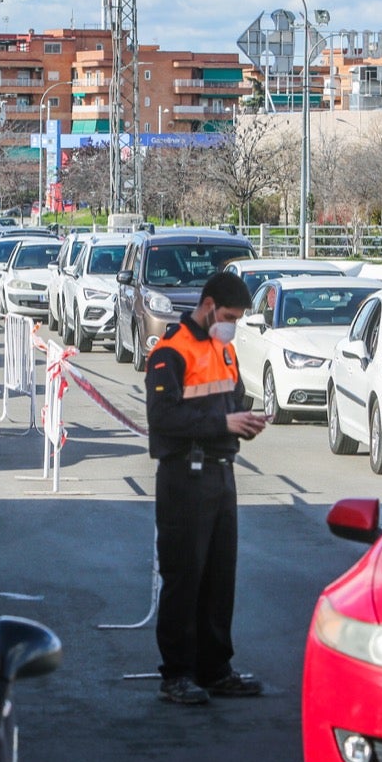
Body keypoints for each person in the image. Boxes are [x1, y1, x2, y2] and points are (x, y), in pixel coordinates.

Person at [144, 270, 268, 705]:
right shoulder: (171, 351)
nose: (232, 324)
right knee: (184, 575)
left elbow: (231, 400)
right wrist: (224, 422)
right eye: (230, 316)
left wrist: (244, 422)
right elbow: (163, 418)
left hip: (220, 471)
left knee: (219, 576)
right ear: (210, 306)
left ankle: (215, 669)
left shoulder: (224, 348)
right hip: (184, 475)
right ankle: (176, 674)